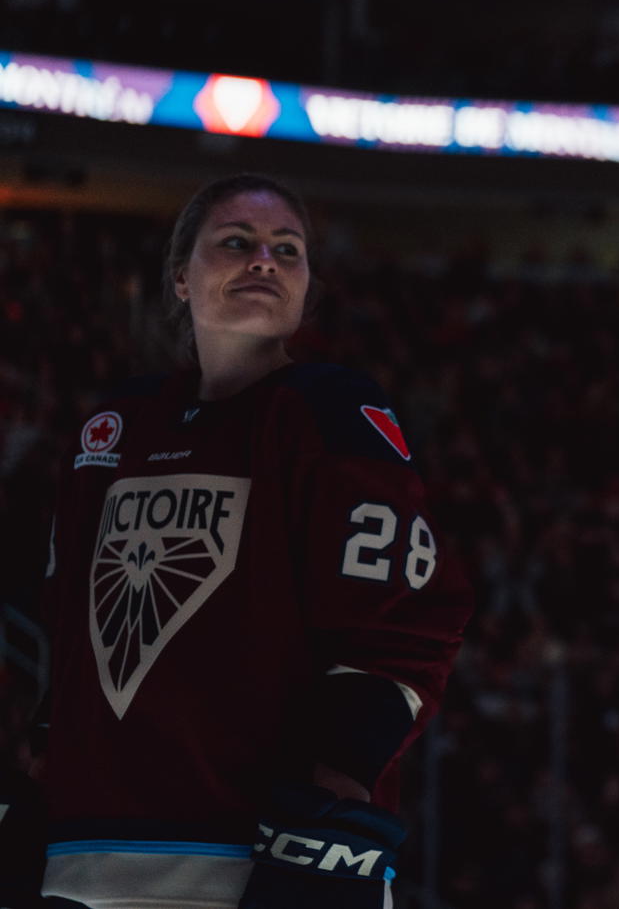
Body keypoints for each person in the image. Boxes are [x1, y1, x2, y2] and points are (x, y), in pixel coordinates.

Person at [24, 174, 473, 909]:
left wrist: (339, 778)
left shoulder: (330, 412)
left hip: (257, 848)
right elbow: (69, 618)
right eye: (236, 242)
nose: (264, 260)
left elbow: (408, 618)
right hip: (84, 855)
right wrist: (41, 749)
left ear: (305, 291)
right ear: (179, 278)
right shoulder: (112, 428)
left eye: (286, 250)